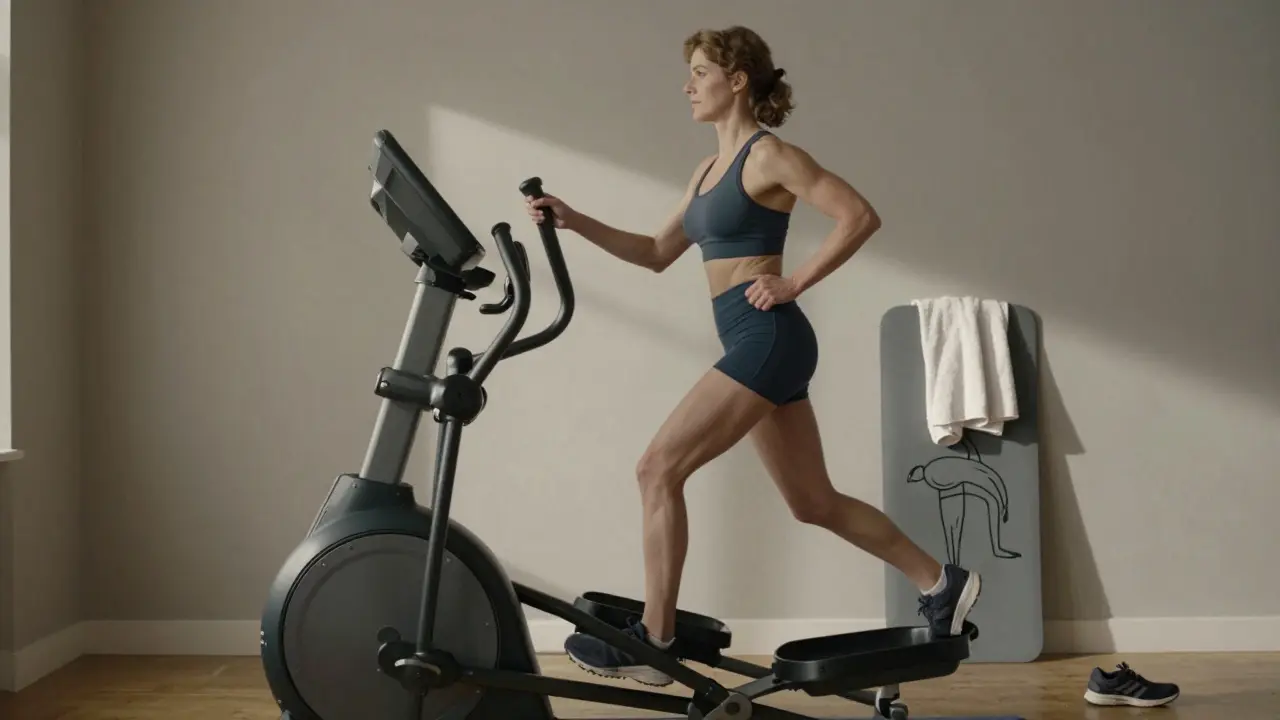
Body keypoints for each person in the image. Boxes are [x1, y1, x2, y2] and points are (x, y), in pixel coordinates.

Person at [525, 25, 981, 687]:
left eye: (701, 73)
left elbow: (857, 215)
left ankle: (654, 645)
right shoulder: (707, 172)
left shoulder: (770, 157)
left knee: (657, 469)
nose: (688, 87)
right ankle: (942, 582)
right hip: (753, 343)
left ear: (737, 80)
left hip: (768, 338)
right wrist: (574, 219)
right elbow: (655, 253)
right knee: (813, 501)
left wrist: (795, 281)